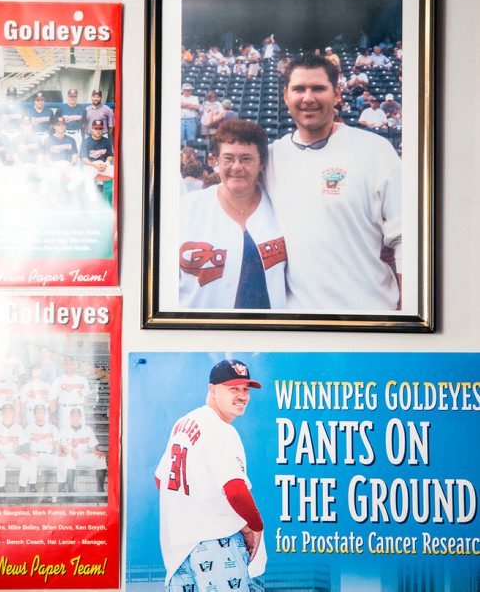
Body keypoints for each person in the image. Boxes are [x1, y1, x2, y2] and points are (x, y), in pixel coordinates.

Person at [265, 53, 402, 311]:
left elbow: (407, 239)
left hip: (371, 316)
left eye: (318, 88)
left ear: (337, 94)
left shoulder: (375, 150)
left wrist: (409, 315)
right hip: (299, 324)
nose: (308, 98)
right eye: (299, 89)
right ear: (285, 96)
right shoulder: (272, 156)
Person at [155, 358, 266, 591]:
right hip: (219, 545)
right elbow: (235, 491)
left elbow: (161, 478)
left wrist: (193, 513)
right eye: (233, 389)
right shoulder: (221, 430)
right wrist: (255, 527)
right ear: (212, 390)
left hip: (181, 550)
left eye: (246, 389)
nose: (242, 396)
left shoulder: (184, 422)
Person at [179, 119, 286, 309]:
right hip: (196, 332)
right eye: (228, 158)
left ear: (261, 163)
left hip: (269, 333)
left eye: (246, 159)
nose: (236, 167)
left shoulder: (280, 209)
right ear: (217, 161)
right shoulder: (186, 208)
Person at [59, 407, 106, 494]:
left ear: (81, 417)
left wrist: (96, 452)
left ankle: (100, 489)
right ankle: (71, 489)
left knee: (101, 458)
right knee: (69, 459)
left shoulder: (87, 429)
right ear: (69, 417)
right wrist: (70, 451)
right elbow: (62, 447)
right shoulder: (64, 430)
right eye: (73, 416)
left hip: (83, 456)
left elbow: (93, 447)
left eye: (78, 416)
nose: (75, 419)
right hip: (70, 456)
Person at [79, 119, 114, 206]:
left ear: (102, 130)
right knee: (87, 177)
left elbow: (110, 155)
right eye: (96, 128)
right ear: (92, 129)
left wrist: (106, 164)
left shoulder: (106, 141)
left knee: (117, 173)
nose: (98, 131)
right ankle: (93, 201)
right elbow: (84, 159)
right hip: (91, 165)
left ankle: (115, 198)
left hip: (103, 165)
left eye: (100, 129)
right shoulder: (86, 142)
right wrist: (95, 166)